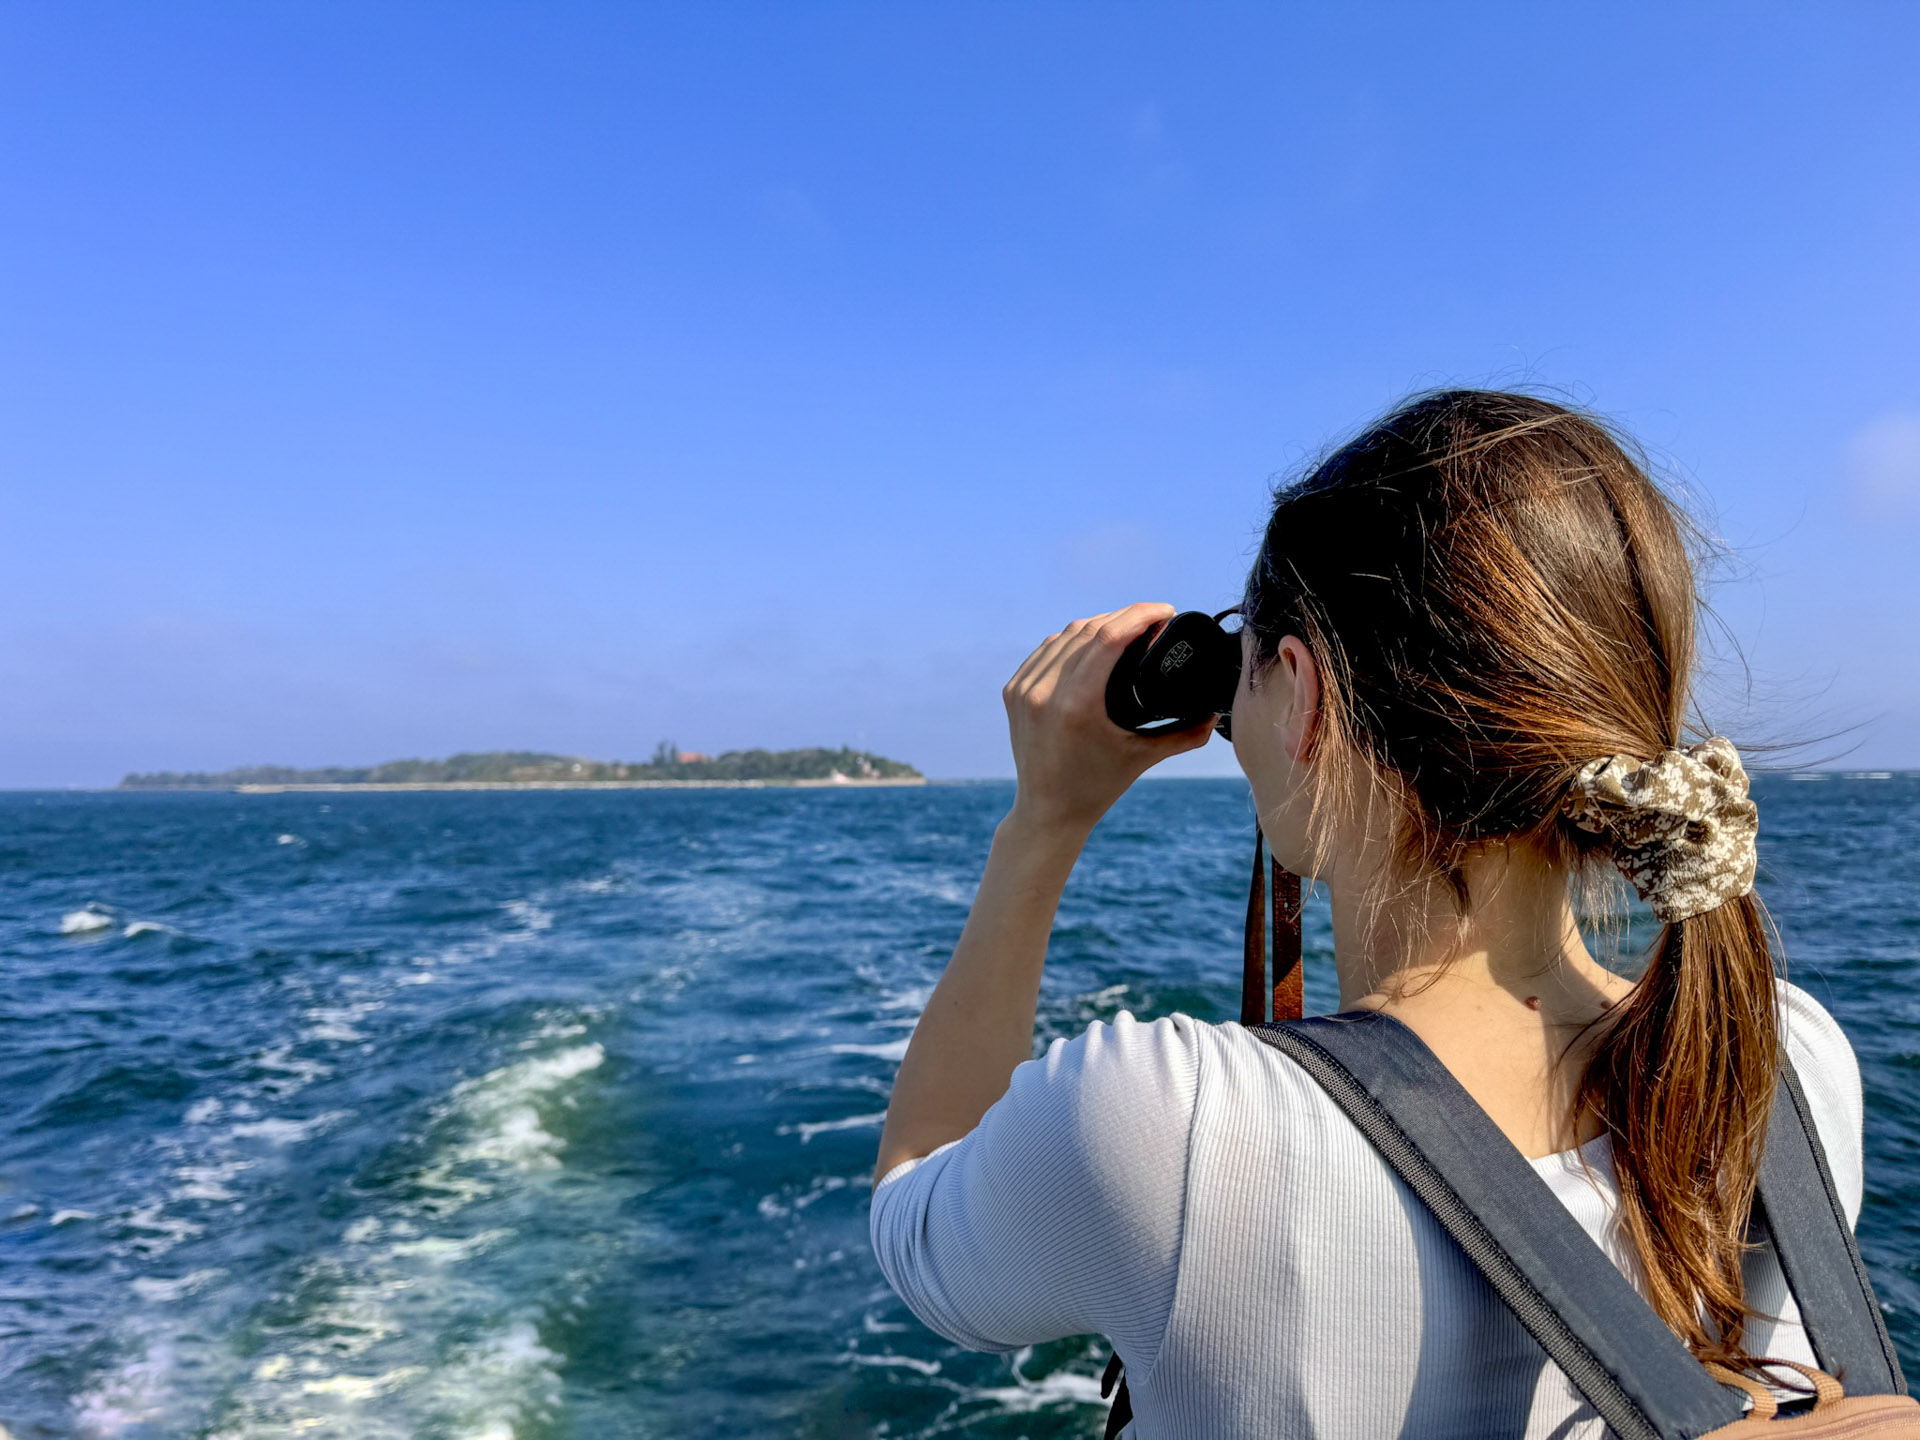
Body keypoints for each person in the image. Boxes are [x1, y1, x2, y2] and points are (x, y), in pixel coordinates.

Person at [868, 390, 1864, 1438]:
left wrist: (1042, 822)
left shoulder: (1170, 1127)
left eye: (1247, 655)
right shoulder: (1788, 1065)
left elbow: (913, 1218)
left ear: (1300, 695)